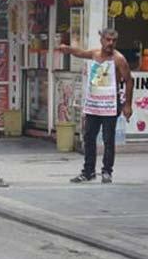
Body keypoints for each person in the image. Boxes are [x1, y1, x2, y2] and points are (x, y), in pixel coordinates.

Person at [59, 28, 134, 184]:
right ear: (101, 40)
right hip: (93, 104)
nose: (110, 43)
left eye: (113, 41)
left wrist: (127, 104)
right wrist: (68, 49)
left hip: (110, 105)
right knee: (89, 137)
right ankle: (88, 171)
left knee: (108, 139)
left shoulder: (119, 59)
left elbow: (128, 80)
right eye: (107, 39)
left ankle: (107, 171)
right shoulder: (95, 54)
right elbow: (81, 53)